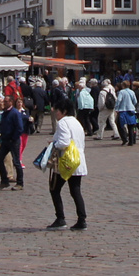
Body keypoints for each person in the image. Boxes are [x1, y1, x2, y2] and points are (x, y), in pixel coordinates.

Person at [42, 96, 88, 230]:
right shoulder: (76, 122)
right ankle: (82, 219)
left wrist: (53, 143)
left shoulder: (63, 123)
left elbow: (64, 142)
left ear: (63, 111)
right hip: (78, 160)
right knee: (75, 190)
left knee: (54, 188)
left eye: (57, 111)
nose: (56, 113)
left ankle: (60, 218)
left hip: (65, 161)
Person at [0, 92, 28, 190]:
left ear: (11, 102)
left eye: (6, 101)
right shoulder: (4, 112)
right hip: (5, 141)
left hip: (13, 141)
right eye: (3, 101)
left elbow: (19, 128)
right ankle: (4, 181)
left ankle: (20, 183)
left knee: (16, 162)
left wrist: (13, 138)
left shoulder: (15, 113)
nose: (4, 103)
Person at [116, 79, 139, 146]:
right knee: (131, 126)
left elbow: (118, 100)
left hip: (122, 110)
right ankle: (131, 141)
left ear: (123, 85)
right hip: (131, 110)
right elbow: (135, 101)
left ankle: (124, 139)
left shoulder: (121, 92)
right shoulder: (132, 92)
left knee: (120, 125)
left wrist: (116, 108)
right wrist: (132, 105)